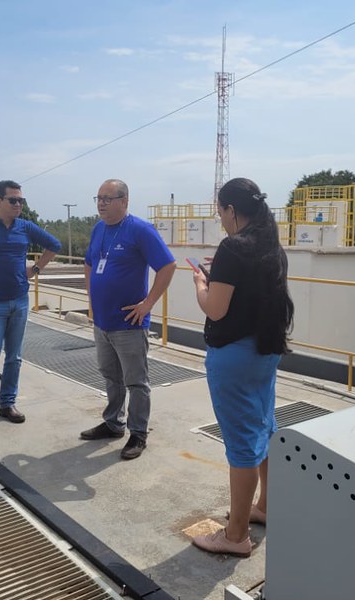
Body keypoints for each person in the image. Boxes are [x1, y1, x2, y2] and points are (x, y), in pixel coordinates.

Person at [190, 177, 294, 557]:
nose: (220, 219)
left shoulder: (232, 249)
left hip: (233, 357)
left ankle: (235, 537)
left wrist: (202, 283)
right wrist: (221, 272)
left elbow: (215, 308)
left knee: (241, 447)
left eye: (220, 211)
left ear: (232, 210)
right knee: (264, 428)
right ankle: (264, 507)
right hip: (264, 353)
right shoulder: (271, 247)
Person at [80, 179, 176, 460]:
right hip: (103, 321)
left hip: (129, 324)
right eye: (98, 198)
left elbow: (167, 265)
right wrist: (91, 301)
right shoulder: (99, 229)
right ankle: (113, 423)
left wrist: (148, 304)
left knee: (136, 381)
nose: (101, 203)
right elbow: (88, 263)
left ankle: (138, 433)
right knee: (110, 375)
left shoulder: (140, 230)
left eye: (107, 198)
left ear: (124, 201)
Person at [0, 180, 61, 433]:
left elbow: (54, 245)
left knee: (14, 357)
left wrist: (35, 269)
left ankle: (7, 404)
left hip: (20, 300)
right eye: (13, 200)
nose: (18, 204)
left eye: (21, 200)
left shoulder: (25, 227)